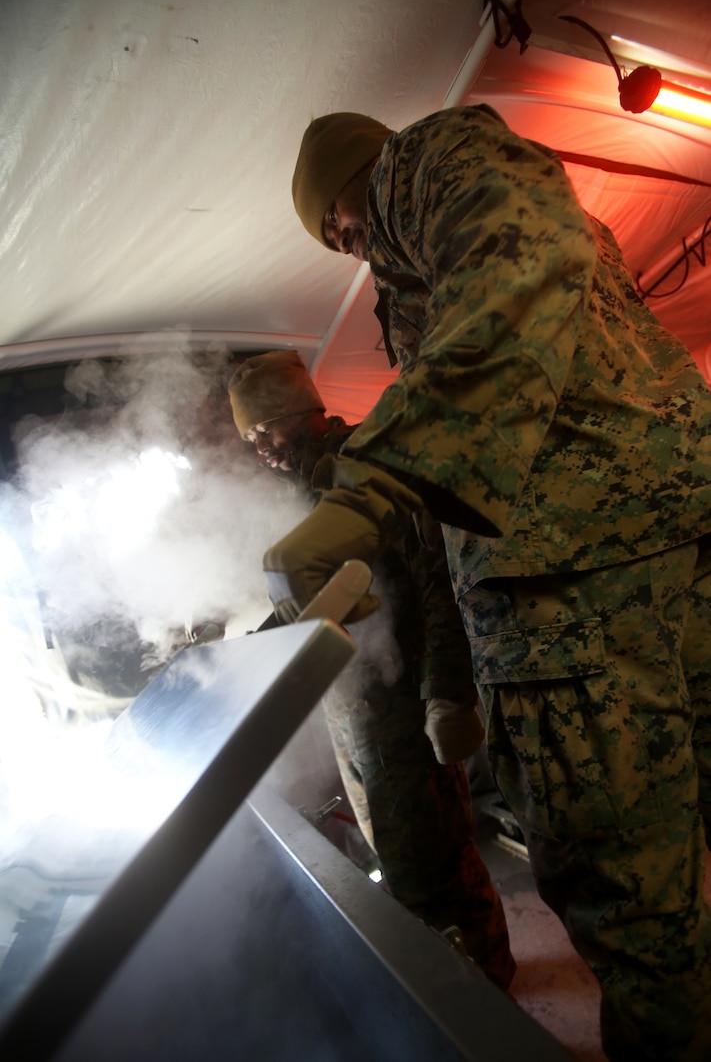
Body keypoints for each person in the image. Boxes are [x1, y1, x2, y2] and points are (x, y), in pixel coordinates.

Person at [261, 105, 711, 1061]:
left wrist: (374, 485)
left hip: (568, 588)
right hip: (646, 551)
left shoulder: (427, 162)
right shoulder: (454, 215)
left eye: (335, 222)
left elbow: (518, 262)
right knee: (665, 888)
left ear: (357, 179)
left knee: (631, 910)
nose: (345, 244)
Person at [227, 349, 516, 990]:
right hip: (352, 703)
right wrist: (246, 654)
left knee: (433, 858)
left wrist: (445, 691)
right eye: (249, 438)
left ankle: (488, 992)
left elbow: (438, 579)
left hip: (403, 698)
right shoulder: (298, 490)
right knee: (393, 845)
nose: (258, 449)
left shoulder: (365, 464)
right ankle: (465, 980)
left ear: (298, 412)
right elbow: (303, 597)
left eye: (263, 430)